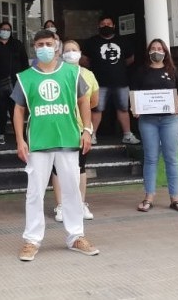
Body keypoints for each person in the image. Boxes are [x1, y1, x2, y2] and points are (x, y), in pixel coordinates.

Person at [13, 30, 98, 262]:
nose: (44, 48)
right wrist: (20, 139)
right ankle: (31, 240)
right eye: (40, 44)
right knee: (34, 193)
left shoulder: (72, 72)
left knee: (72, 191)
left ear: (57, 46)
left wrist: (87, 131)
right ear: (34, 47)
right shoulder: (26, 76)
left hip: (69, 139)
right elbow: (19, 110)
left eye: (48, 44)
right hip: (38, 143)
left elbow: (84, 102)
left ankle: (76, 236)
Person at [132, 39, 178, 213]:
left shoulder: (172, 71)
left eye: (160, 48)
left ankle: (175, 199)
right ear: (148, 51)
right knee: (150, 158)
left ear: (165, 51)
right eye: (153, 48)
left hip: (170, 121)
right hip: (148, 121)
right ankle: (149, 197)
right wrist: (135, 108)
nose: (156, 51)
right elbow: (134, 94)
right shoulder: (141, 71)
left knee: (171, 158)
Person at [51, 40, 99, 222]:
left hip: (81, 127)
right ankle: (61, 206)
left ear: (80, 53)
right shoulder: (56, 74)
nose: (71, 53)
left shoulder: (88, 75)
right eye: (67, 50)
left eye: (74, 50)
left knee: (80, 166)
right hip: (60, 127)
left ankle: (80, 203)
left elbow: (93, 101)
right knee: (57, 168)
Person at [81, 15, 140, 145]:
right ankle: (92, 135)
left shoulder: (123, 41)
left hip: (121, 82)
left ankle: (127, 135)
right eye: (103, 24)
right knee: (96, 109)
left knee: (123, 108)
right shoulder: (91, 42)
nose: (106, 26)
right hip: (98, 83)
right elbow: (84, 60)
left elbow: (130, 59)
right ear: (98, 26)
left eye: (109, 23)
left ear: (114, 26)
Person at [0, 21, 29, 145]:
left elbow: (24, 63)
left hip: (16, 82)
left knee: (15, 108)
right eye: (3, 29)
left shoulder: (17, 44)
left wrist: (25, 80)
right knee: (1, 107)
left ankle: (18, 134)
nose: (5, 31)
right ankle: (1, 134)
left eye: (8, 29)